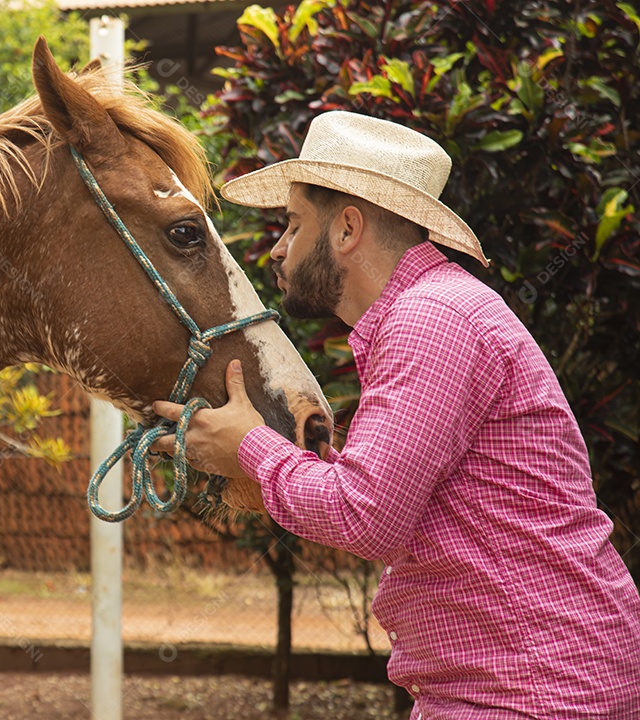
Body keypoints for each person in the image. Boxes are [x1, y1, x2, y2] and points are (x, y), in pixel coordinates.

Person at [152, 110, 640, 719]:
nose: (278, 249)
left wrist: (249, 447)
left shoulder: (430, 319)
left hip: (530, 691)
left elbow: (367, 515)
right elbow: (382, 501)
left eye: (294, 224)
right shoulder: (436, 311)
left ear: (347, 228)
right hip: (522, 683)